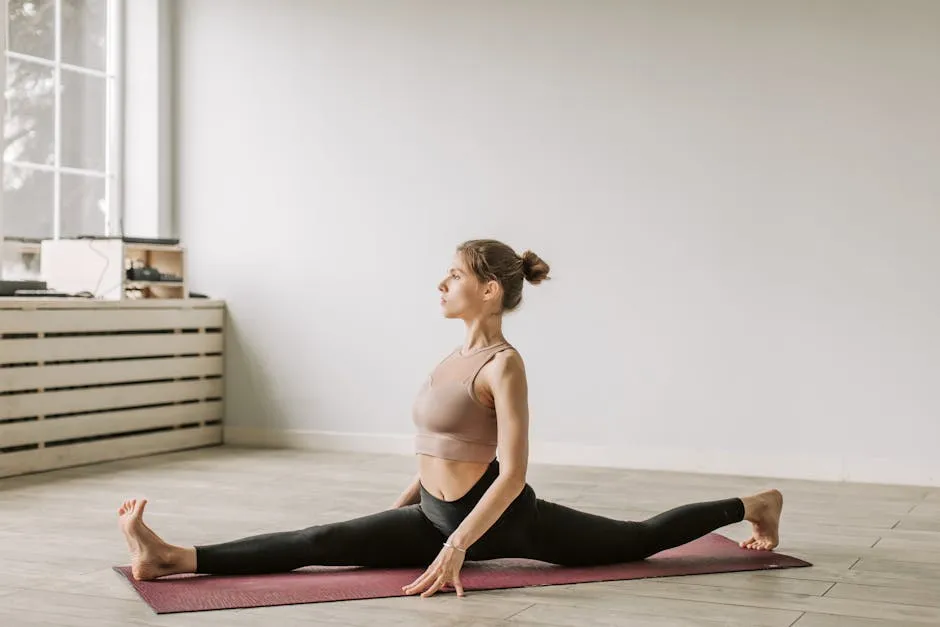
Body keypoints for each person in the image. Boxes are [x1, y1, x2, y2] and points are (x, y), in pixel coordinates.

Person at [118, 238, 783, 598]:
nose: (441, 283)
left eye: (453, 274)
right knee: (321, 539)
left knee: (635, 540)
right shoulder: (447, 358)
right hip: (431, 516)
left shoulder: (504, 363)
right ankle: (173, 556)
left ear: (489, 290)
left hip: (502, 517)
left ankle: (755, 500)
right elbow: (432, 448)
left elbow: (514, 470)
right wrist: (397, 514)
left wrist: (458, 544)